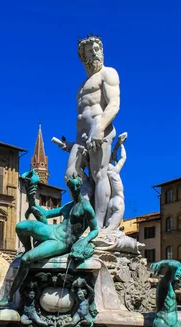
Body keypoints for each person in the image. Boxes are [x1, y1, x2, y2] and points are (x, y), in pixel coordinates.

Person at [0, 173, 99, 307]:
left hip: (62, 241)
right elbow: (45, 214)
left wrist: (85, 241)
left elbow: (95, 229)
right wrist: (31, 199)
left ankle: (9, 296)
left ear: (79, 187)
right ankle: (28, 248)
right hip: (52, 230)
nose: (73, 190)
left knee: (26, 259)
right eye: (70, 187)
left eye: (75, 187)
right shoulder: (68, 206)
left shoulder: (85, 206)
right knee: (21, 226)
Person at [65, 35, 121, 226]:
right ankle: (83, 218)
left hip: (100, 129)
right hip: (81, 137)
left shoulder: (109, 73)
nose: (95, 53)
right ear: (83, 56)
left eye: (97, 49)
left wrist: (99, 128)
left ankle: (97, 225)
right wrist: (70, 144)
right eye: (90, 51)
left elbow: (114, 104)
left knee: (99, 174)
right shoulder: (82, 86)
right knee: (70, 175)